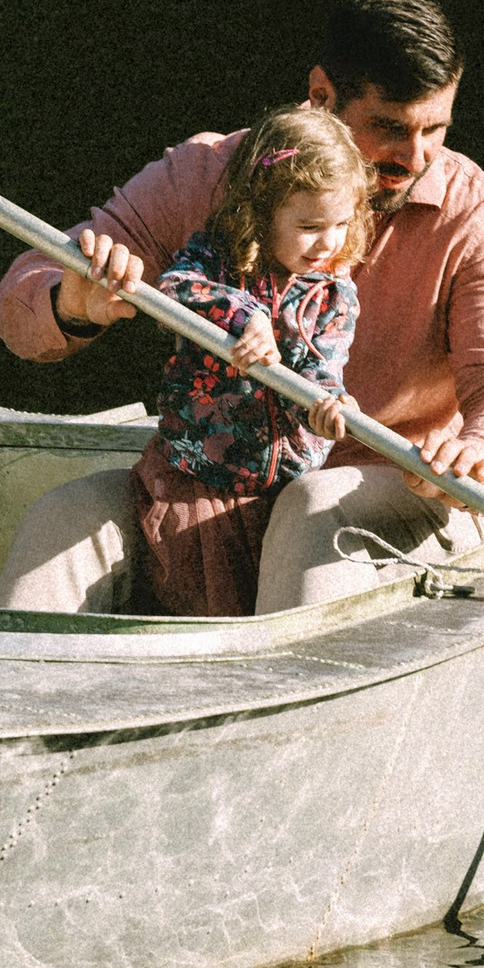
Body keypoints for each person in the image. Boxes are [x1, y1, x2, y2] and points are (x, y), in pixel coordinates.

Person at [0, 0, 484, 614]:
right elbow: (26, 291)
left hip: (395, 491)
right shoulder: (207, 173)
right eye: (389, 129)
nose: (414, 158)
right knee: (64, 515)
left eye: (436, 130)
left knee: (310, 509)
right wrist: (72, 303)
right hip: (212, 479)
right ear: (320, 95)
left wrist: (482, 451)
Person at [133, 103, 369, 616]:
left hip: (280, 486)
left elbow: (321, 365)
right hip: (200, 474)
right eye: (310, 226)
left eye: (341, 223)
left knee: (267, 602)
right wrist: (243, 316)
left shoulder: (334, 292)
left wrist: (326, 405)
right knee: (202, 608)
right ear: (262, 211)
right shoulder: (215, 256)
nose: (329, 242)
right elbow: (172, 289)